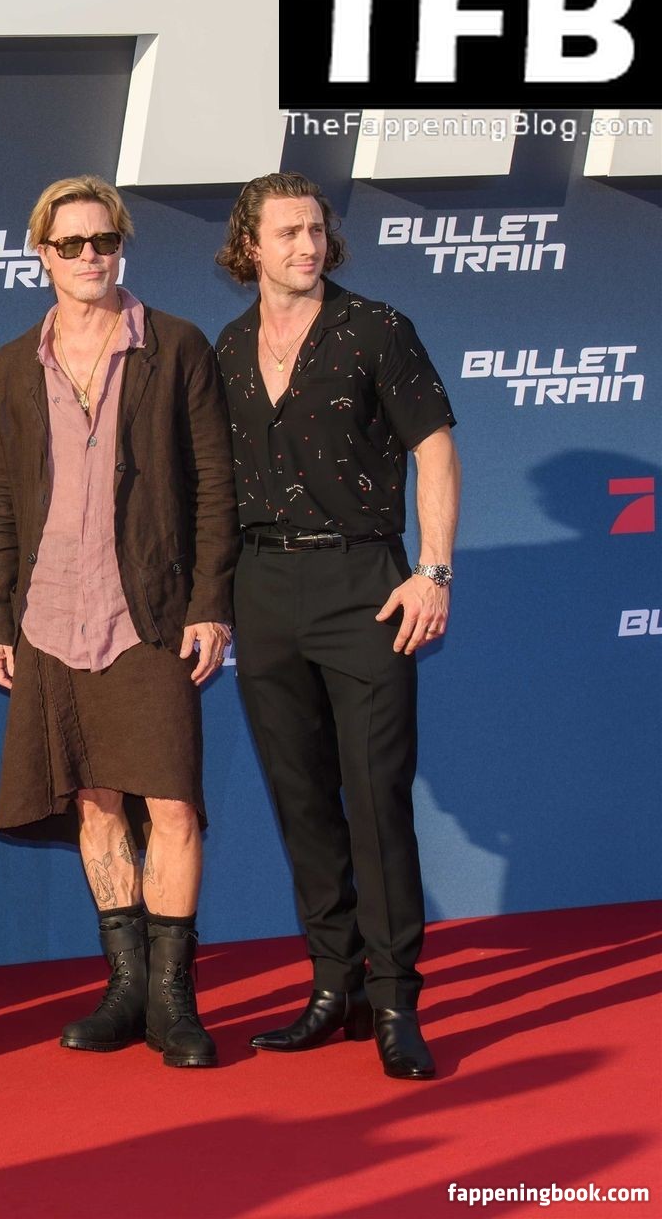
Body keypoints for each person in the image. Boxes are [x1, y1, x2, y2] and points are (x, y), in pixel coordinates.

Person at [0, 176, 236, 1068]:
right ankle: (125, 989)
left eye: (105, 241)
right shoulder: (14, 365)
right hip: (50, 612)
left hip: (149, 612)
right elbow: (1, 500)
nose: (90, 257)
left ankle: (172, 999)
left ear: (122, 246)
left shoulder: (177, 346)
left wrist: (210, 603)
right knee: (93, 799)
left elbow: (214, 488)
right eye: (71, 244)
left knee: (172, 803)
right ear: (41, 254)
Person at [212, 172, 460, 1080]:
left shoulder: (377, 329)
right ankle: (334, 986)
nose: (307, 246)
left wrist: (434, 570)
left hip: (365, 584)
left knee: (376, 797)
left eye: (315, 230)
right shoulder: (229, 347)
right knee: (303, 800)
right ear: (250, 246)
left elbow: (436, 447)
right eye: (287, 233)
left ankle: (395, 1000)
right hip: (263, 586)